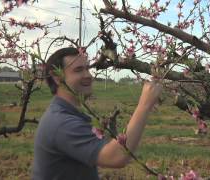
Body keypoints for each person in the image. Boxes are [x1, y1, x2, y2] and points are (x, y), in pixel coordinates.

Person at [32, 47, 162, 180]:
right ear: (57, 77)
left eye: (87, 68)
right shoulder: (61, 122)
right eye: (78, 70)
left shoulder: (68, 114)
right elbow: (116, 157)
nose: (88, 75)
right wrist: (144, 105)